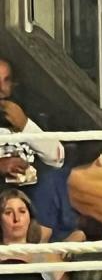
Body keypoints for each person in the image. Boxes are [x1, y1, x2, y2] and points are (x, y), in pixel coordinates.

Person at [0, 58, 64, 190]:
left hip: (34, 191)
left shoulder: (31, 112)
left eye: (6, 80)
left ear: (13, 84)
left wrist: (25, 125)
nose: (2, 88)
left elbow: (57, 158)